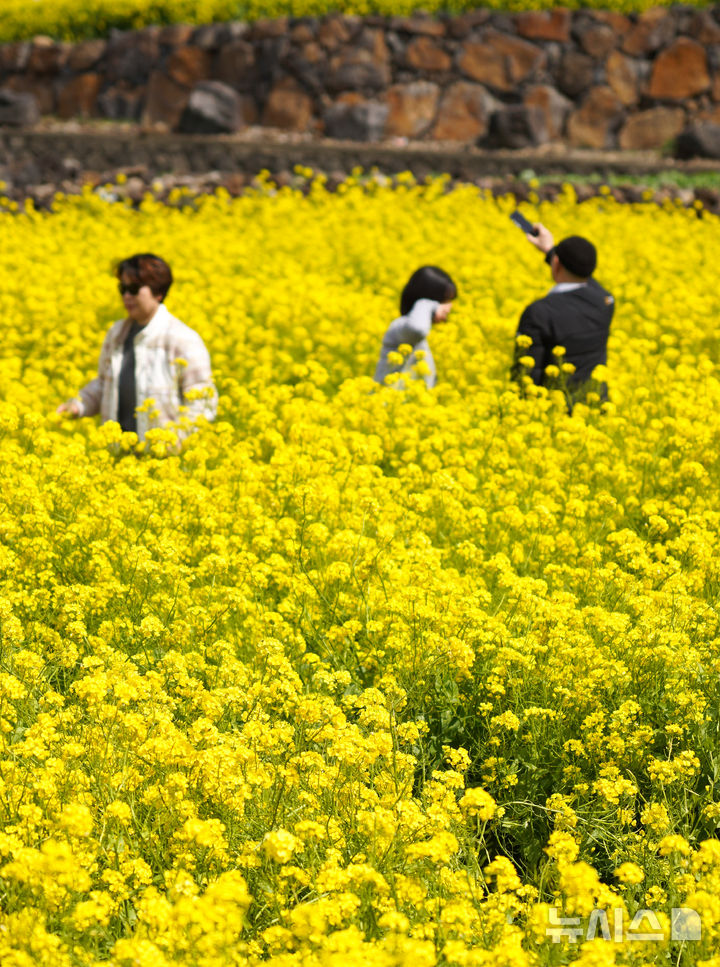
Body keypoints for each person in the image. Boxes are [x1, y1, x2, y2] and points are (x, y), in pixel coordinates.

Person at [58, 253, 216, 440]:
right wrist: (78, 406)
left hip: (166, 460)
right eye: (122, 288)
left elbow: (202, 403)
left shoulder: (182, 339)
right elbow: (104, 384)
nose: (126, 296)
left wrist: (176, 440)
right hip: (119, 456)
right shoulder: (116, 334)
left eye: (133, 289)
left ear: (158, 293)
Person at [512, 223, 614, 407]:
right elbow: (587, 279)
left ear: (557, 263)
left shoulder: (539, 312)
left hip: (553, 412)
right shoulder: (605, 301)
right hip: (595, 407)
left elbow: (526, 372)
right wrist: (550, 251)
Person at [374, 266, 458, 389]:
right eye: (444, 301)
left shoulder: (419, 334)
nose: (449, 307)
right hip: (388, 405)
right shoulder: (400, 327)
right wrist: (430, 305)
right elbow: (417, 329)